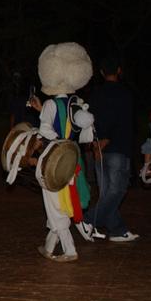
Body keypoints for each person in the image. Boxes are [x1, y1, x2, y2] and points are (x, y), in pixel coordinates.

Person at [30, 42, 95, 262]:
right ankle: (48, 247)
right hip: (74, 155)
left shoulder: (50, 105)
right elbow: (87, 134)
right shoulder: (79, 103)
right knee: (64, 196)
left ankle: (70, 250)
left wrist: (56, 142)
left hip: (56, 156)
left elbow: (45, 129)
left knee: (54, 199)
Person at [83, 56, 139, 242]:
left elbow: (89, 120)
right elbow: (121, 120)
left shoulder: (96, 94)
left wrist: (95, 143)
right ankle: (88, 220)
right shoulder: (125, 94)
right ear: (119, 70)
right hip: (116, 148)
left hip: (99, 147)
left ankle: (117, 229)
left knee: (107, 193)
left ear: (101, 72)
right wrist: (104, 140)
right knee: (118, 190)